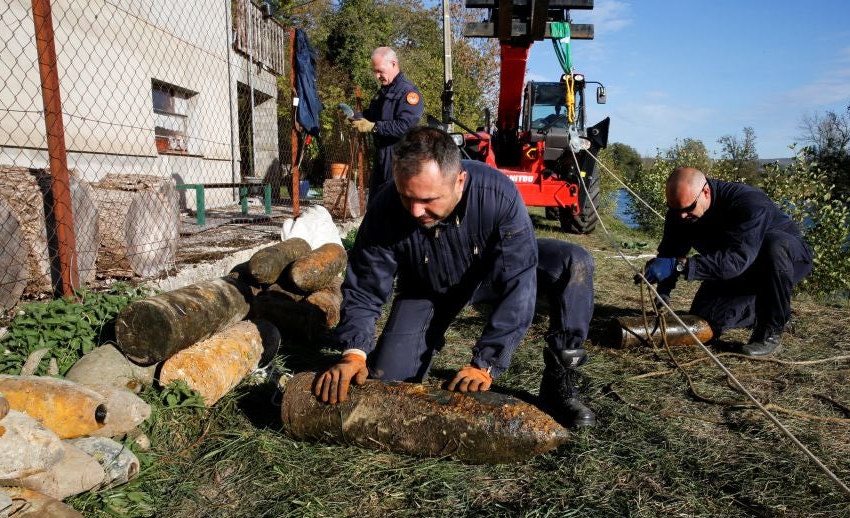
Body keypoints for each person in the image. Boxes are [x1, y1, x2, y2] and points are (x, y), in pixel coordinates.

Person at [314, 127, 597, 428]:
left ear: (459, 181)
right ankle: (422, 344)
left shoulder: (498, 195)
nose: (415, 211)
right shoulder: (386, 207)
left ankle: (559, 386)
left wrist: (486, 362)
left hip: (491, 275)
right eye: (405, 196)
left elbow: (519, 282)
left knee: (574, 262)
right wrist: (354, 351)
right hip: (428, 287)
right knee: (390, 380)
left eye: (428, 199)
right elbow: (365, 286)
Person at [637, 167, 813, 356]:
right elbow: (671, 251)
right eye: (676, 209)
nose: (681, 215)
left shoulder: (749, 202)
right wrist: (664, 292)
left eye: (688, 209)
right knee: (706, 318)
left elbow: (736, 260)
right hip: (734, 267)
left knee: (774, 245)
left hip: (784, 261)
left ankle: (771, 331)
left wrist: (680, 266)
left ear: (705, 192)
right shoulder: (680, 210)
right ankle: (761, 309)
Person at [349, 47, 424, 197]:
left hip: (399, 158)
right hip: (381, 156)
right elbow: (372, 115)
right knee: (376, 206)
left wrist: (374, 127)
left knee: (392, 207)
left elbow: (405, 126)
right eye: (375, 71)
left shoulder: (408, 93)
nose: (377, 76)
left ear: (393, 64)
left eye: (380, 71)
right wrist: (354, 116)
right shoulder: (384, 92)